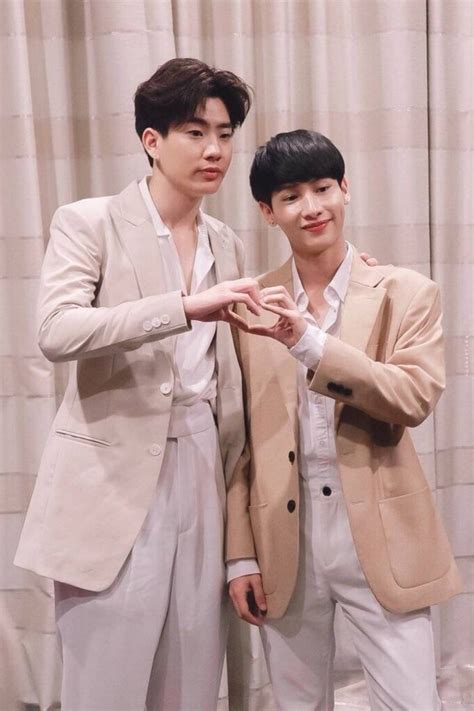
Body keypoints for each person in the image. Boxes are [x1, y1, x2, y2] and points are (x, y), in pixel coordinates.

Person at [14, 57, 259, 711]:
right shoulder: (88, 221)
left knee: (192, 681)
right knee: (106, 686)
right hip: (111, 478)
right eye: (194, 132)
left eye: (225, 133)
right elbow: (57, 330)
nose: (214, 149)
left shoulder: (227, 243)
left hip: (203, 465)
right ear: (152, 140)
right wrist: (181, 308)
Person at [226, 129, 462, 710]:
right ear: (267, 212)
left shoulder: (406, 292)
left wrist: (307, 342)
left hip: (383, 533)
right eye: (290, 197)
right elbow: (237, 440)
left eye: (323, 188)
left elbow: (412, 397)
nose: (311, 207)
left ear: (345, 189)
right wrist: (240, 555)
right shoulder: (249, 305)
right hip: (283, 538)